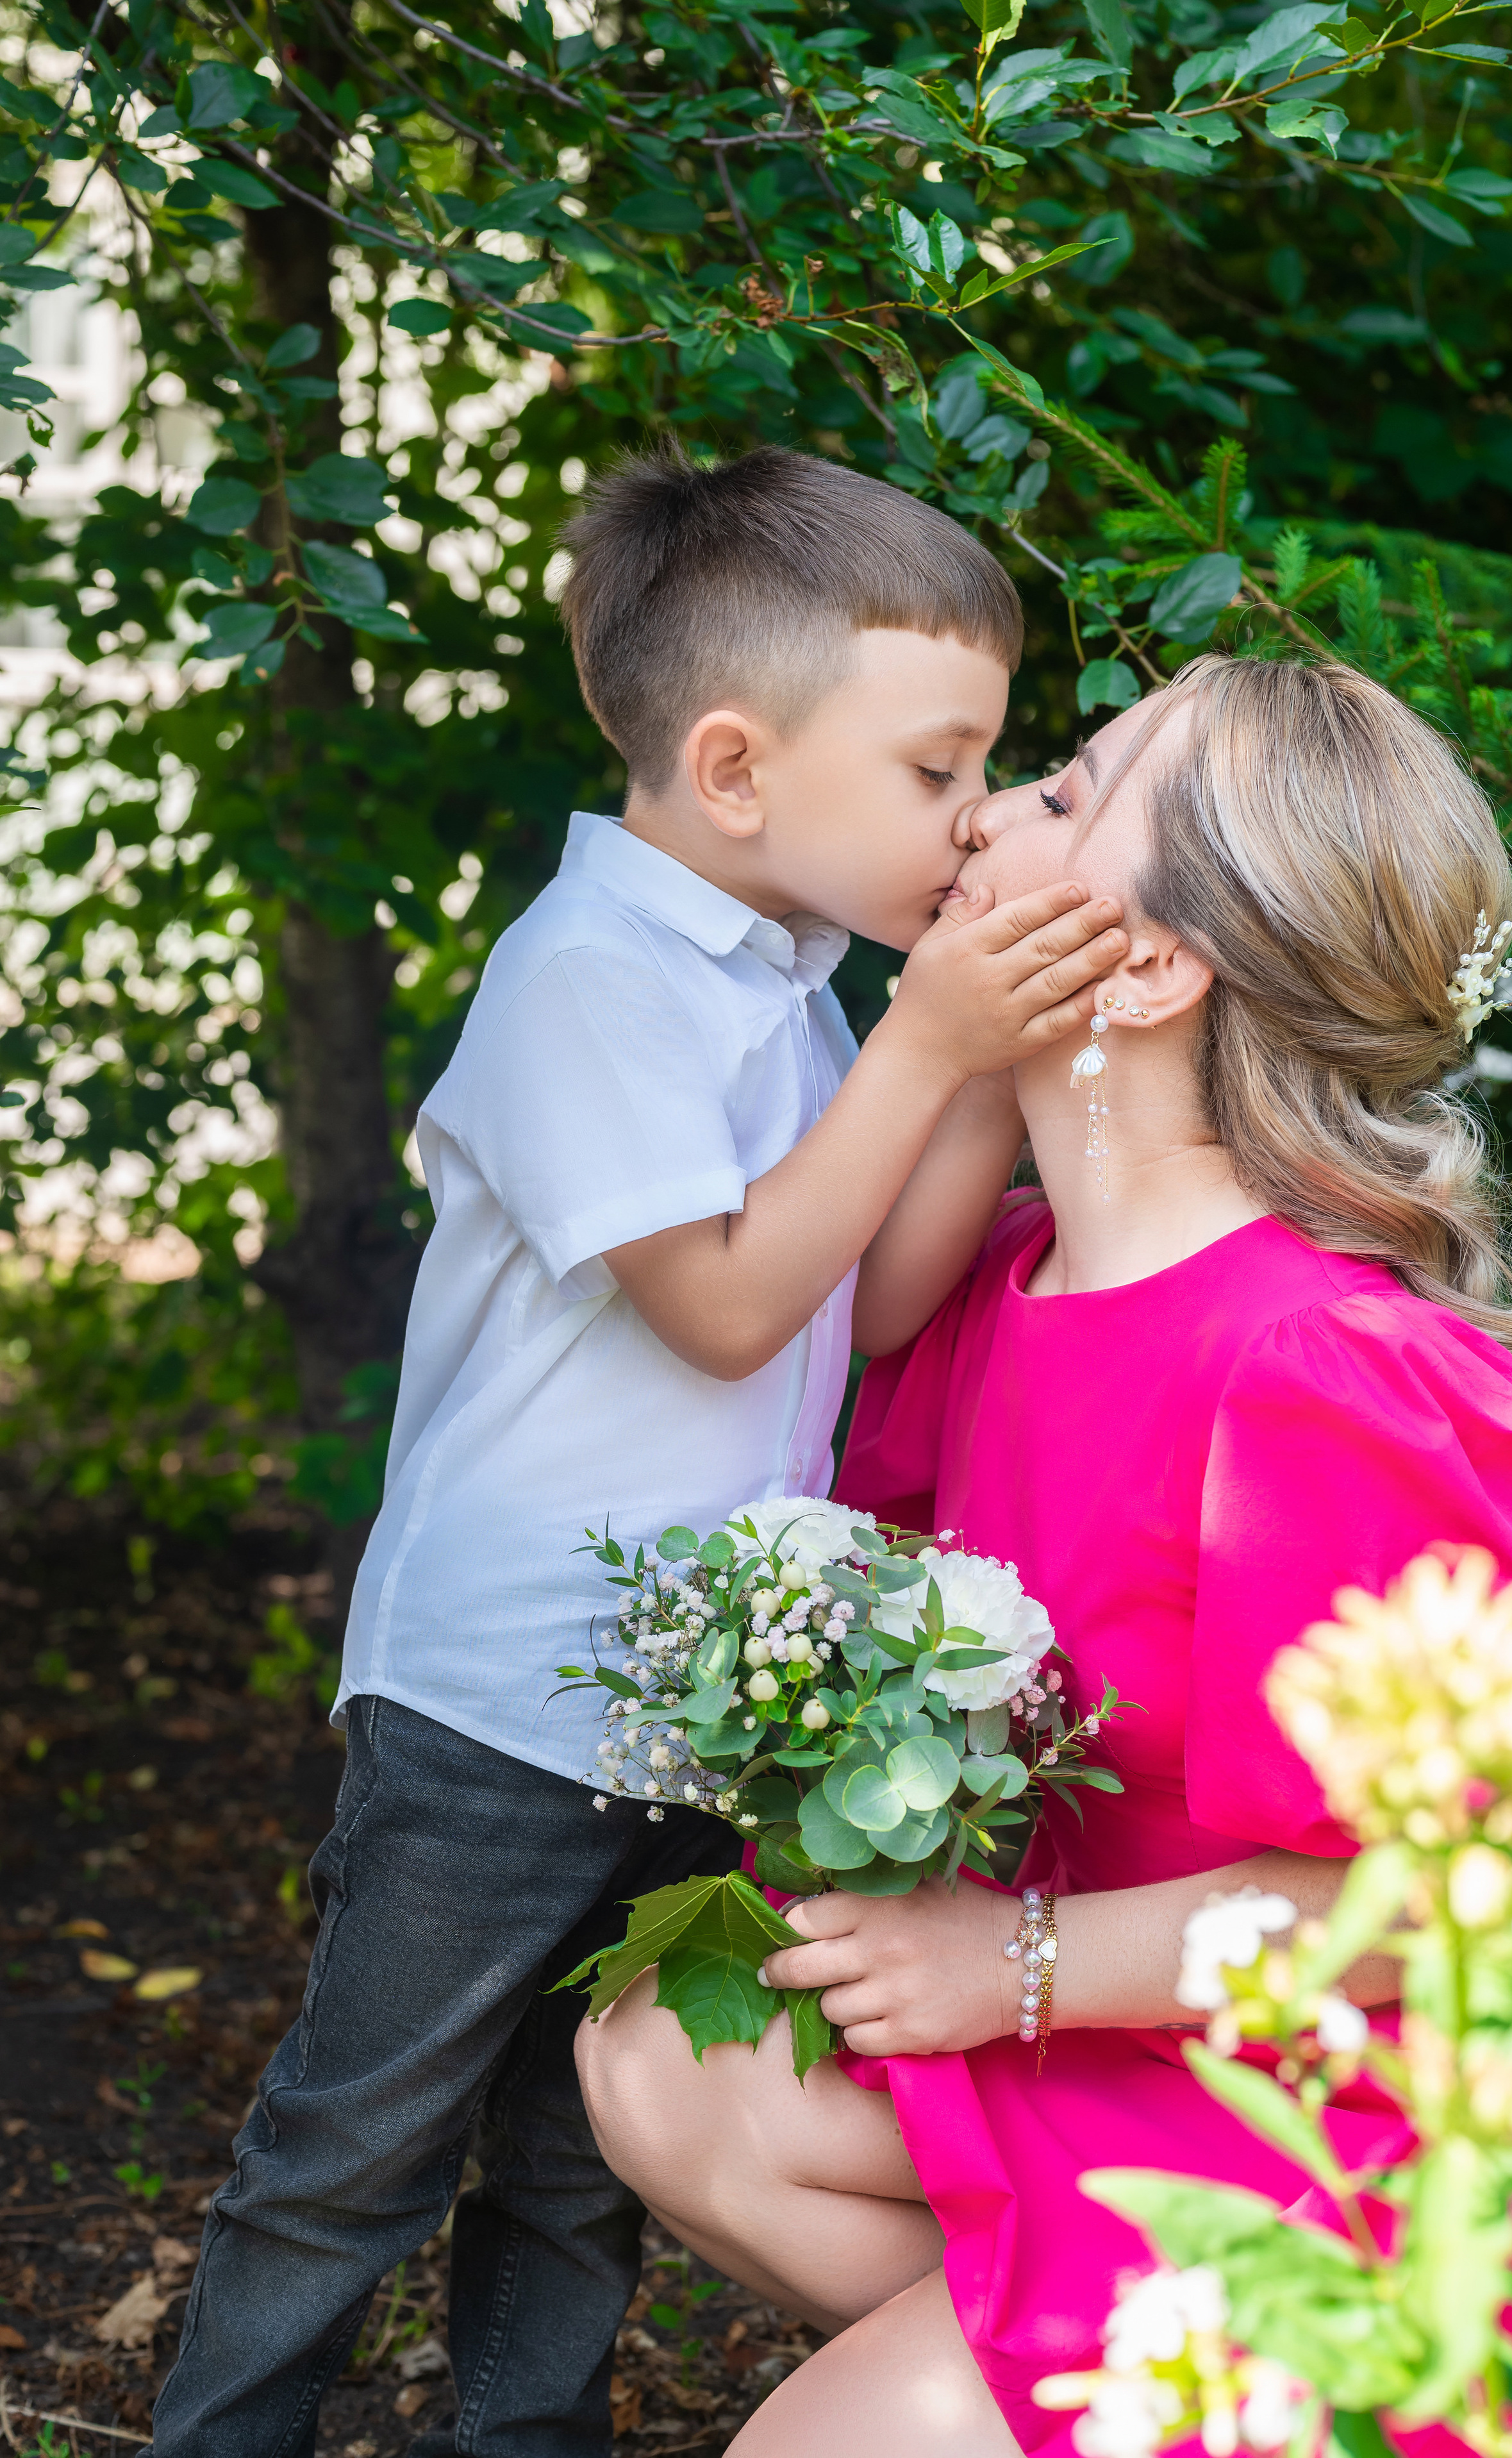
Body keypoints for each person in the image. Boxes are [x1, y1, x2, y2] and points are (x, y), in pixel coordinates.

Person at [145, 445, 1131, 2458]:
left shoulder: (794, 989)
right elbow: (729, 1302)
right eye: (939, 770)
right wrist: (936, 1043)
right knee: (358, 2138)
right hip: (503, 1696)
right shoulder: (582, 983)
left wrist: (992, 1069)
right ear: (738, 767)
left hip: (692, 1701)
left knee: (578, 2155)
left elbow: (864, 1303)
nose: (967, 819)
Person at [575, 652, 1512, 2457]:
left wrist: (1016, 1962)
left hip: (1360, 2110)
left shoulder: (1324, 1372)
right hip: (1143, 2051)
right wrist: (984, 1069)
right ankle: (1101, 2380)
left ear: (1144, 964)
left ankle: (1317, 2379)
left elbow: (1477, 1897)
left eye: (1070, 793)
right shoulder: (1005, 1282)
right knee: (667, 2068)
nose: (984, 805)